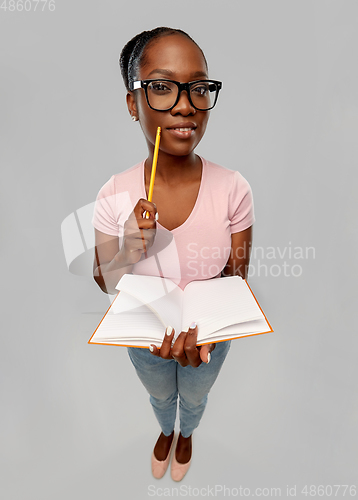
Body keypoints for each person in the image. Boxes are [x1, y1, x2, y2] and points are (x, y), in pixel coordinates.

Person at [92, 27, 255, 481]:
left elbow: (236, 275)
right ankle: (166, 429)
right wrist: (128, 248)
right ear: (133, 103)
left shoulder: (234, 188)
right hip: (147, 340)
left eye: (199, 87)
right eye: (161, 87)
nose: (186, 104)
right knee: (162, 396)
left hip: (209, 343)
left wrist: (209, 331)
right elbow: (103, 278)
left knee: (196, 398)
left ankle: (187, 435)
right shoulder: (115, 192)